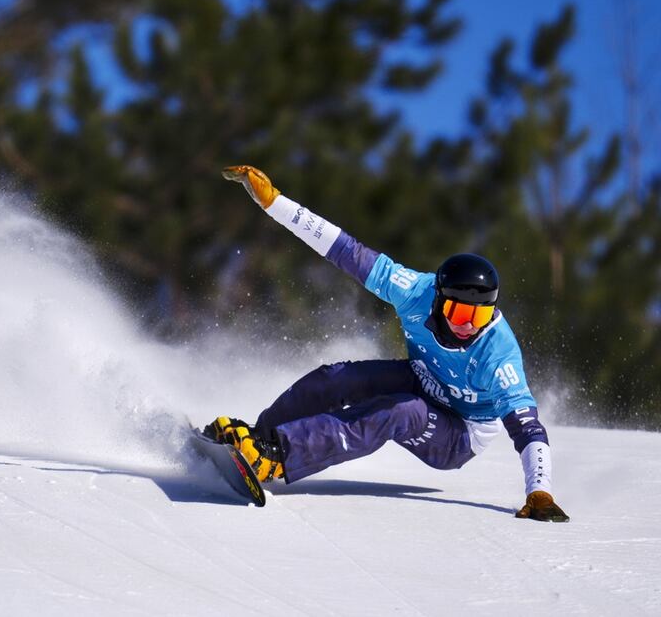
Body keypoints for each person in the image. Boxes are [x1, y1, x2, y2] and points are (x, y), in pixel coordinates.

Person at [205, 165, 569, 522]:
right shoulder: (414, 291)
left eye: (479, 315)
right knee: (338, 378)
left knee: (399, 411)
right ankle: (260, 438)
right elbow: (346, 251)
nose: (468, 326)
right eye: (459, 313)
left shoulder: (497, 353)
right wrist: (276, 204)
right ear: (438, 299)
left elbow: (528, 429)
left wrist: (540, 491)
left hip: (459, 434)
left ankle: (278, 457)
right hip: (423, 379)